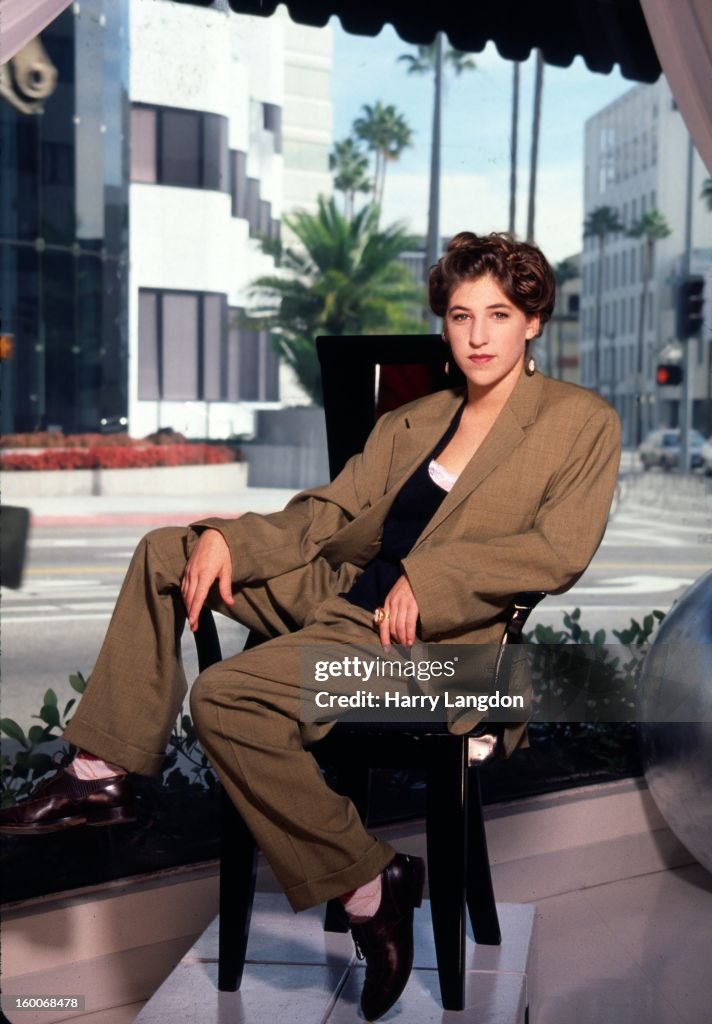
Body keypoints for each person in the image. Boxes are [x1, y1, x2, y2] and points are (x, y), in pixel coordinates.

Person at [0, 232, 621, 1020]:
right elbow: (329, 514)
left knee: (224, 698)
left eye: (498, 314)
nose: (477, 335)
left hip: (442, 655)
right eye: (461, 316)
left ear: (532, 320)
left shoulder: (579, 422)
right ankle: (98, 778)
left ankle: (372, 883)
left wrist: (427, 583)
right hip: (343, 599)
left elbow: (555, 551)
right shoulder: (415, 420)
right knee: (169, 551)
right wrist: (228, 536)